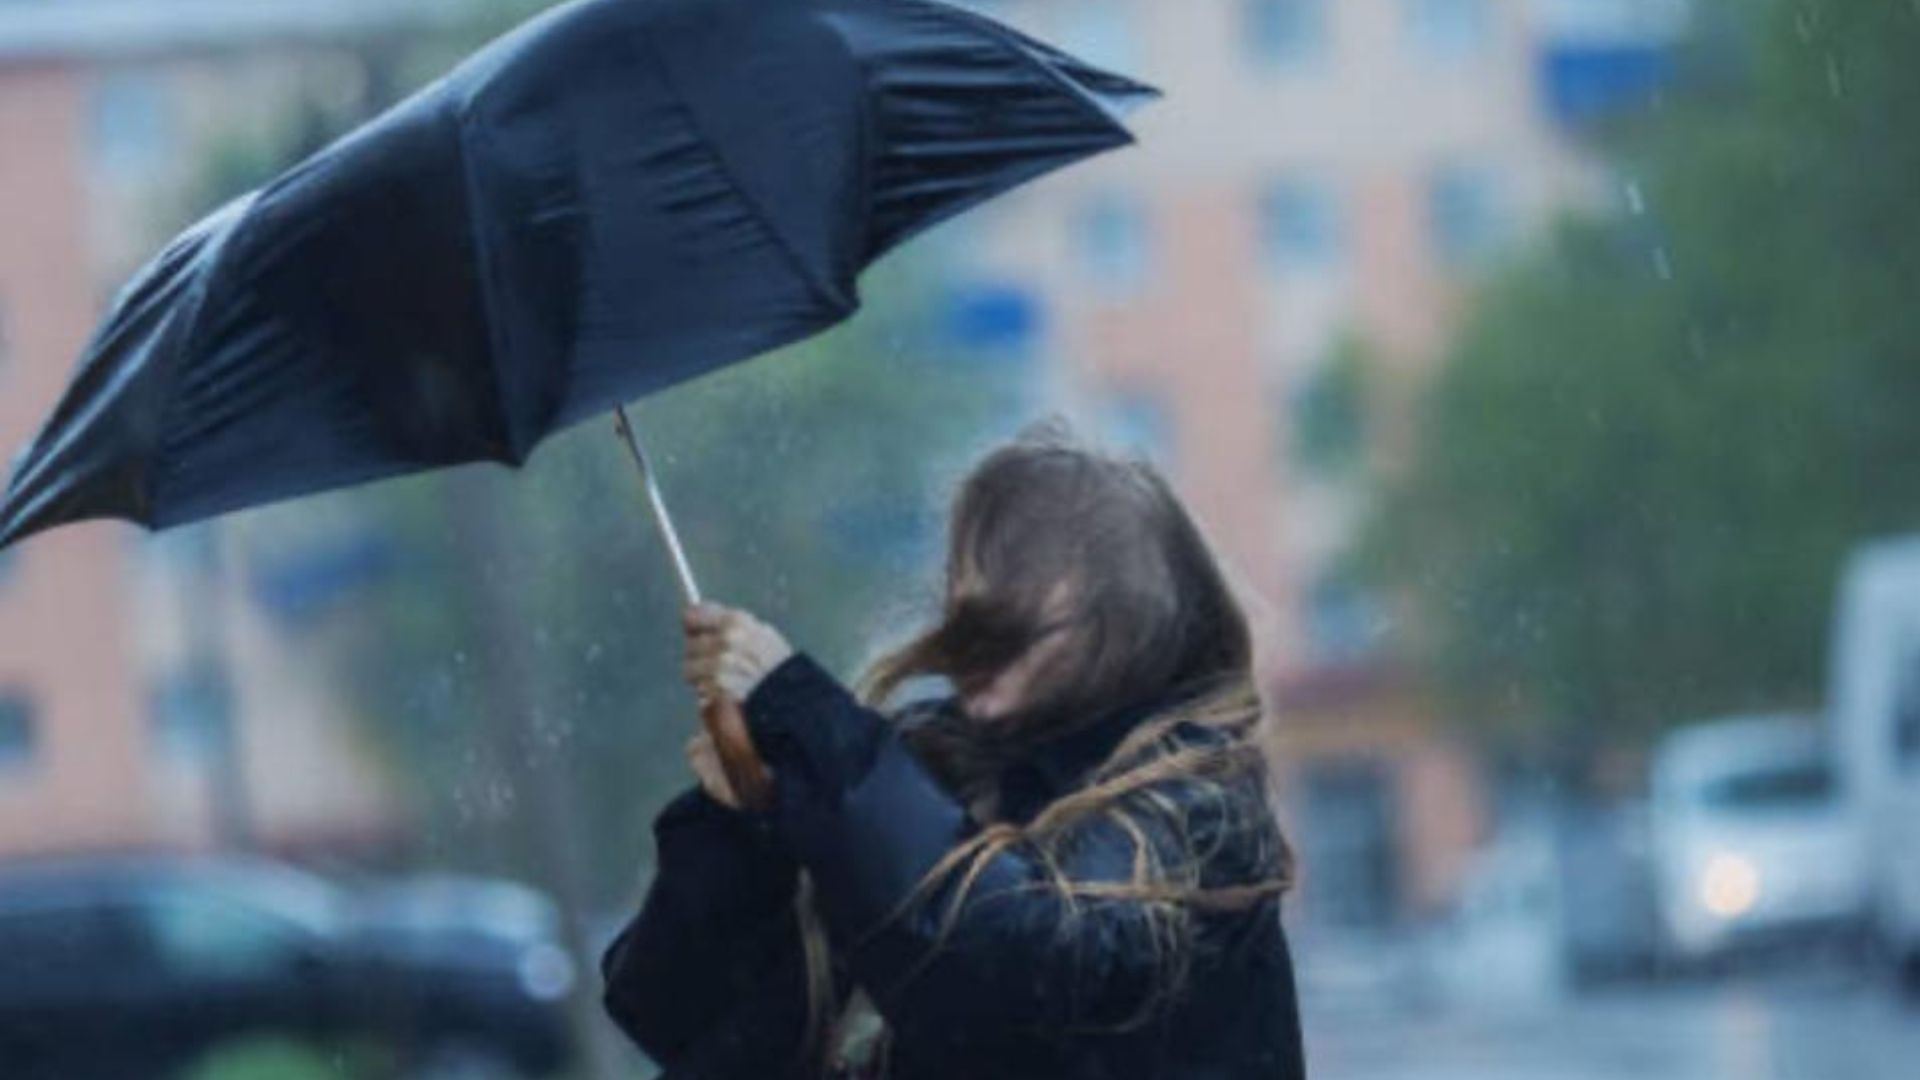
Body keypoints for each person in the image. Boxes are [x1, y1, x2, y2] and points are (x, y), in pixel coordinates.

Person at [602, 431, 1307, 1079]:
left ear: (1120, 618)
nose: (972, 624)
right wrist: (744, 830)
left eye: (1014, 610)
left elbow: (1007, 971)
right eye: (967, 599)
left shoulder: (1197, 812)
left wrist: (808, 720)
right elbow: (674, 1017)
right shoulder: (922, 775)